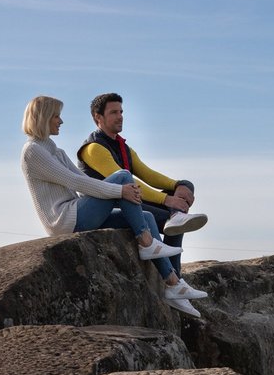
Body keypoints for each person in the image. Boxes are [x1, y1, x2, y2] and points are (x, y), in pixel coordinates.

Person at [20, 95, 206, 317]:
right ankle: (147, 241)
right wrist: (120, 190)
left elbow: (83, 180)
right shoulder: (33, 151)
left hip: (81, 210)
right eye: (56, 116)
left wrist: (176, 185)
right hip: (65, 219)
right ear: (43, 117)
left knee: (146, 216)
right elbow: (78, 182)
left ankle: (173, 284)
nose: (61, 121)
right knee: (123, 177)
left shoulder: (55, 150)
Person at [76, 92, 207, 280]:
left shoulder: (123, 147)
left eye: (121, 111)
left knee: (185, 188)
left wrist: (178, 185)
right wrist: (168, 200)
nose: (120, 116)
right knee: (170, 216)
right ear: (98, 117)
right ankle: (174, 276)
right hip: (113, 207)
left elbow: (148, 175)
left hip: (132, 199)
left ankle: (175, 220)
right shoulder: (93, 148)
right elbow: (130, 183)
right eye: (113, 112)